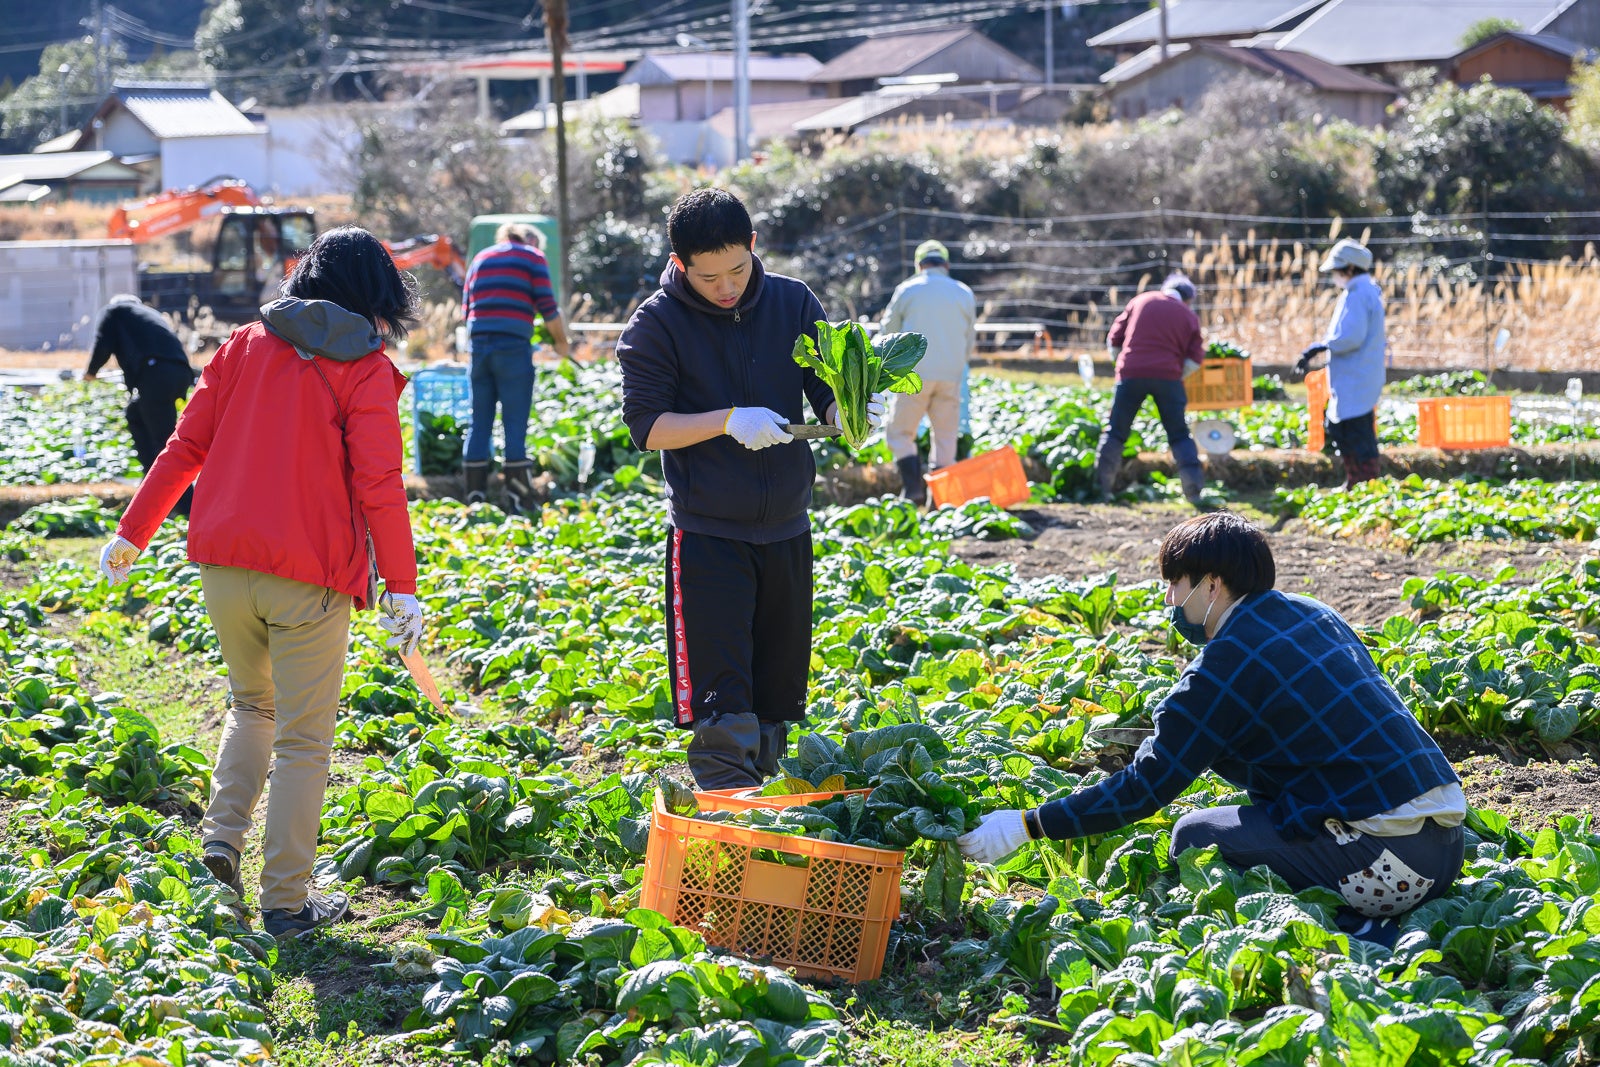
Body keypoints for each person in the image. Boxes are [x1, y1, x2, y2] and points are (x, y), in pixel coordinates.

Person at [95, 226, 426, 941]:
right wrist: (402, 583)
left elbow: (185, 444)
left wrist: (132, 530)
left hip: (223, 565)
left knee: (252, 704)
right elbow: (380, 484)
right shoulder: (365, 368)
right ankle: (285, 901)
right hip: (307, 576)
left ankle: (220, 843)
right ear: (377, 296)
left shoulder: (246, 342)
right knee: (305, 740)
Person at [958, 512, 1465, 947]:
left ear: (1213, 585)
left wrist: (1028, 824)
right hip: (1446, 850)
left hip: (1387, 868)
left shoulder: (1225, 662)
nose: (1170, 599)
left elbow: (1145, 789)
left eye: (1175, 584)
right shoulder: (1316, 613)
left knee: (1195, 835)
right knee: (1265, 810)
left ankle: (1357, 932)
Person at [616, 188, 885, 791]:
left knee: (778, 686)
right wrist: (727, 418)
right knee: (722, 687)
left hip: (789, 524)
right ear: (680, 263)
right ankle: (726, 808)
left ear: (754, 246)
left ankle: (767, 806)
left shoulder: (792, 301)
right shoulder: (656, 324)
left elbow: (825, 387)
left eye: (737, 269)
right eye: (709, 276)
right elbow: (648, 427)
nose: (726, 286)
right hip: (709, 531)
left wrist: (847, 410)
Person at [460, 223, 572, 511]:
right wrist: (561, 342)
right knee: (514, 422)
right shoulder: (532, 257)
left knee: (480, 421)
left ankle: (475, 498)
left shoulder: (481, 258)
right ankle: (517, 499)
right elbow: (548, 307)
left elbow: (466, 310)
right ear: (531, 240)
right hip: (512, 348)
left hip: (479, 347)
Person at [1093, 274, 1207, 506]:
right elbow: (1196, 356)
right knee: (1178, 434)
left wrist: (1123, 365)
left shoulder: (1140, 301)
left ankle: (1102, 490)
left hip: (1131, 374)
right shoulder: (1188, 315)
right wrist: (1176, 373)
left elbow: (1114, 338)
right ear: (1187, 299)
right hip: (1168, 377)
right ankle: (1193, 492)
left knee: (1115, 431)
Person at [879, 239, 976, 505]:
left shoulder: (907, 290)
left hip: (913, 375)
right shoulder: (963, 292)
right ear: (945, 263)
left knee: (900, 433)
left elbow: (888, 333)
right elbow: (969, 339)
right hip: (950, 376)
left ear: (919, 264)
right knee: (945, 439)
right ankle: (940, 501)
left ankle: (913, 490)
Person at [84, 294, 199, 512]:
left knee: (164, 443)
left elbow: (103, 342)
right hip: (178, 373)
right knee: (135, 414)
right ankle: (151, 479)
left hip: (156, 374)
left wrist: (90, 372)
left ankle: (186, 506)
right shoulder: (148, 315)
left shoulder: (114, 312)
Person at [1296, 238, 1386, 488]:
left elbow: (1351, 337)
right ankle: (1355, 481)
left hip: (1357, 375)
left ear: (1349, 269)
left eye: (1337, 270)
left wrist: (1324, 345)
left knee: (1357, 432)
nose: (1335, 275)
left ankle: (1365, 483)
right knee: (1343, 428)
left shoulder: (1358, 295)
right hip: (1356, 375)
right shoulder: (1360, 291)